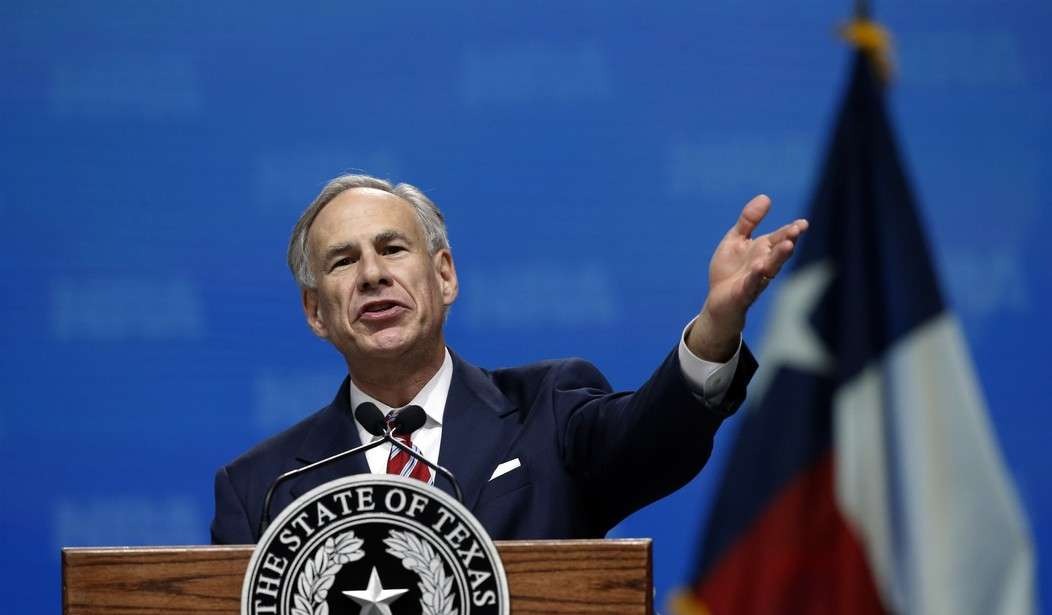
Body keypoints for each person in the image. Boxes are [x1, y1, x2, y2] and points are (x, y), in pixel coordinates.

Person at [211, 174, 807, 544]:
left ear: (444, 276)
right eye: (344, 261)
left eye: (393, 249)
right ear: (316, 311)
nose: (372, 274)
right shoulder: (262, 489)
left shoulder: (547, 411)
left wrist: (715, 327)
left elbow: (652, 440)